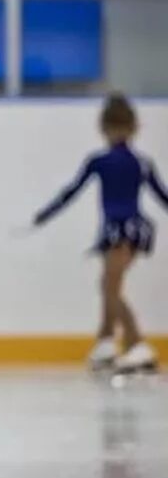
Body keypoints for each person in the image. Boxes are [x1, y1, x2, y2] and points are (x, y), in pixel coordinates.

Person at [33, 92, 168, 373]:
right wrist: (45, 214)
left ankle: (137, 343)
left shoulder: (102, 161)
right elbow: (163, 196)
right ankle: (106, 342)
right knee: (109, 284)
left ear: (103, 128)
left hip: (121, 230)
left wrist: (45, 214)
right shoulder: (140, 162)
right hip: (130, 229)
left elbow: (70, 192)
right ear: (134, 127)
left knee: (109, 286)